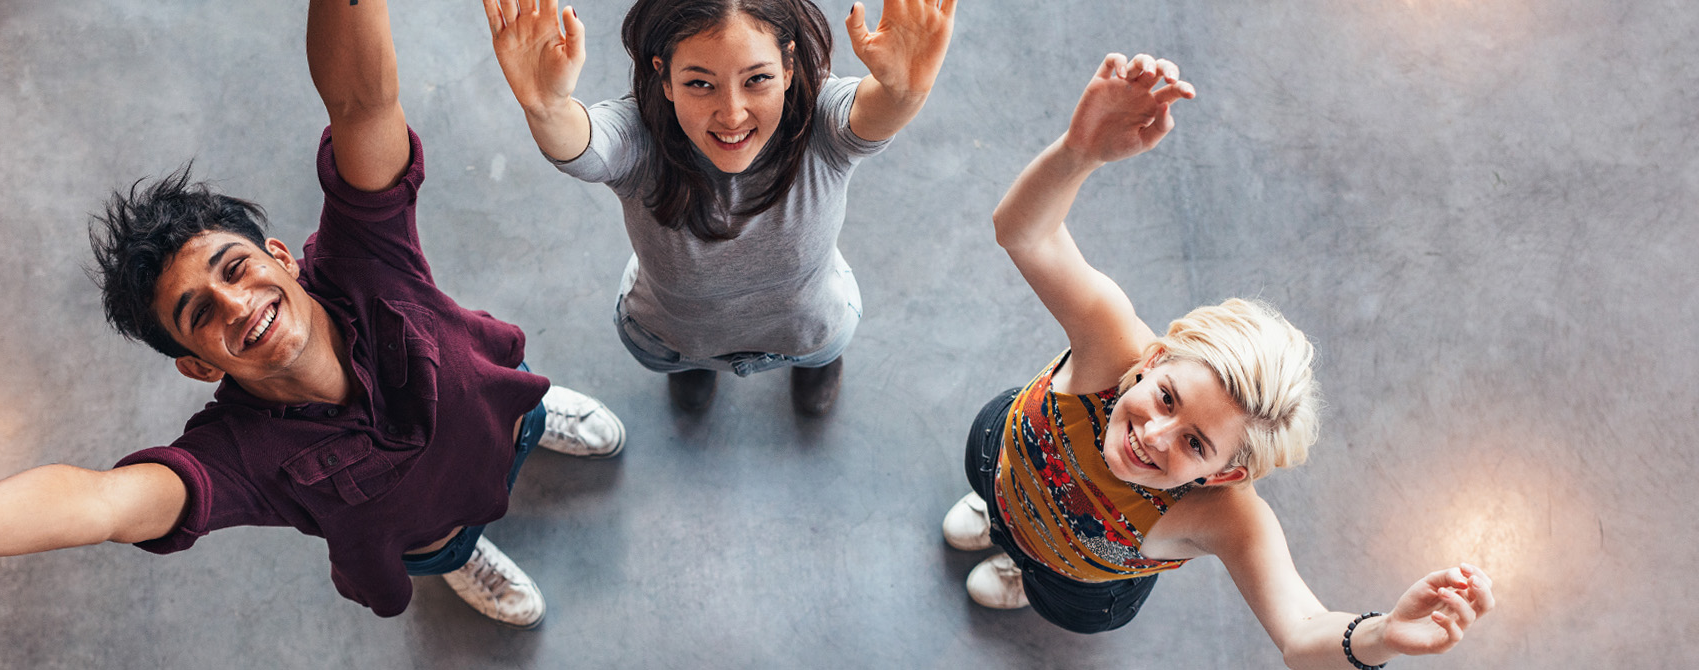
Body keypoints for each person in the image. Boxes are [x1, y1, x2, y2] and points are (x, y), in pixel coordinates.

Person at [0, 0, 625, 630]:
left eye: (236, 267)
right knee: (437, 544)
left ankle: (539, 418)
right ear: (198, 366)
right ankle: (458, 555)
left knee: (517, 407)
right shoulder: (237, 458)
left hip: (493, 410)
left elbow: (362, 103)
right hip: (417, 525)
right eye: (198, 314)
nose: (238, 305)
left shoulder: (366, 252)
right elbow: (98, 503)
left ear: (282, 255)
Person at [941, 53, 1498, 668]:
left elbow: (1301, 632)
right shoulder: (1112, 346)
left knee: (1052, 585)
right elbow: (1025, 233)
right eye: (1168, 397)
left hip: (1076, 578)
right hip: (1004, 454)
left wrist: (1382, 635)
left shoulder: (1228, 520)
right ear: (1153, 360)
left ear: (1227, 475)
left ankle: (1025, 567)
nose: (1151, 435)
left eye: (1196, 445)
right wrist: (1080, 151)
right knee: (992, 485)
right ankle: (999, 509)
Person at [484, 0, 955, 415]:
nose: (732, 114)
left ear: (788, 66)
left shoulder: (820, 126)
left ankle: (811, 365)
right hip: (671, 338)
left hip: (811, 328)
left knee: (815, 352)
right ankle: (694, 367)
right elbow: (583, 149)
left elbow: (869, 116)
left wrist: (903, 92)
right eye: (700, 84)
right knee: (688, 364)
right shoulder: (639, 133)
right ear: (664, 77)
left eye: (758, 79)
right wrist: (546, 108)